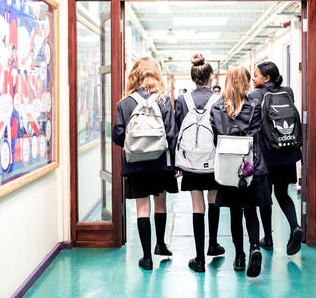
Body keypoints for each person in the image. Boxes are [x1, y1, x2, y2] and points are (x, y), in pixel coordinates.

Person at [112, 57, 179, 271]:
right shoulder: (164, 100)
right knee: (161, 203)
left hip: (136, 163)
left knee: (142, 208)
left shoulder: (125, 103)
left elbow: (117, 135)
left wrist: (135, 145)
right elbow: (171, 134)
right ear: (156, 74)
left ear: (134, 75)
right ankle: (161, 244)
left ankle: (147, 257)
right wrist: (175, 163)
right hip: (160, 161)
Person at [210, 65, 271, 278]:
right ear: (245, 82)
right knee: (251, 210)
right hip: (251, 166)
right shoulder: (255, 105)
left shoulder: (217, 108)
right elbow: (260, 134)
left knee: (235, 213)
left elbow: (215, 137)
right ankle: (255, 246)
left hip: (228, 167)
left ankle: (239, 257)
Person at [175, 53, 225, 273]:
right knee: (213, 200)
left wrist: (176, 164)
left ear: (193, 77)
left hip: (191, 161)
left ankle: (199, 259)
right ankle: (213, 244)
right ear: (210, 77)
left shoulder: (182, 100)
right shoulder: (218, 99)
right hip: (213, 160)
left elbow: (177, 130)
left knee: (197, 205)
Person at [250, 61, 303, 255]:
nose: (252, 78)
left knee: (265, 198)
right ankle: (295, 226)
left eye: (256, 75)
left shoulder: (255, 95)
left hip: (267, 156)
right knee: (282, 194)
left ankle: (268, 239)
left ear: (267, 78)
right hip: (288, 153)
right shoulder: (287, 92)